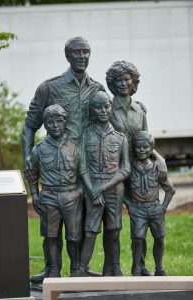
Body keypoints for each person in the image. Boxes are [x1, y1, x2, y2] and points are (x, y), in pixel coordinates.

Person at [23, 36, 105, 281]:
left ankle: (80, 269)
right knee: (52, 228)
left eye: (85, 51)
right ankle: (52, 270)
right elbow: (29, 127)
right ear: (67, 56)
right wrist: (29, 156)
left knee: (81, 227)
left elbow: (107, 122)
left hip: (86, 168)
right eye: (76, 52)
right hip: (53, 167)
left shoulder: (98, 89)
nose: (81, 56)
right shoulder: (49, 87)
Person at [105, 60, 167, 276]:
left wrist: (160, 158)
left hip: (139, 169)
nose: (123, 83)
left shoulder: (139, 110)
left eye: (127, 79)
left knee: (139, 223)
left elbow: (147, 141)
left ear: (133, 82)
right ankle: (112, 267)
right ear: (112, 83)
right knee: (114, 225)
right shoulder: (107, 108)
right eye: (118, 80)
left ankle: (139, 266)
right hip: (116, 171)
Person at [75, 91, 131, 276]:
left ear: (111, 107)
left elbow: (125, 169)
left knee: (114, 230)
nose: (103, 110)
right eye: (98, 107)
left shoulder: (120, 138)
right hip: (92, 189)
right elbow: (81, 167)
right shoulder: (85, 135)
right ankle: (82, 269)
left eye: (106, 106)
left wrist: (103, 188)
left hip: (114, 190)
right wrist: (93, 190)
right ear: (92, 109)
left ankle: (115, 267)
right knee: (90, 230)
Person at [26, 104, 83, 277]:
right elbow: (31, 174)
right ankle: (53, 270)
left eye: (59, 121)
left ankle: (76, 270)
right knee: (51, 236)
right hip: (49, 196)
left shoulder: (75, 148)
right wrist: (35, 195)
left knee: (73, 237)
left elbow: (83, 174)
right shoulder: (38, 150)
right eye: (50, 122)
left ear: (65, 122)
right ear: (45, 125)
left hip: (71, 196)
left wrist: (78, 193)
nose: (55, 125)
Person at [128, 131, 175, 276]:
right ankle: (136, 268)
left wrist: (163, 208)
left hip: (155, 209)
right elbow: (121, 190)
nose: (141, 150)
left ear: (151, 149)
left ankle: (159, 268)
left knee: (159, 238)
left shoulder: (157, 168)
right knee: (137, 239)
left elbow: (170, 190)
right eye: (138, 147)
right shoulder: (129, 168)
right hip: (137, 209)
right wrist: (129, 204)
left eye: (145, 147)